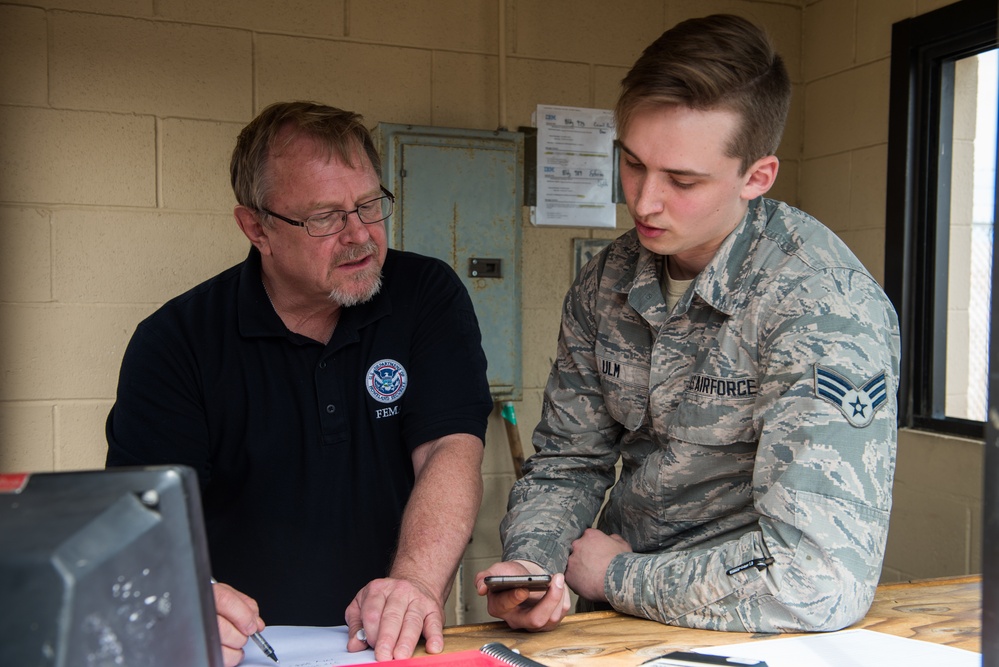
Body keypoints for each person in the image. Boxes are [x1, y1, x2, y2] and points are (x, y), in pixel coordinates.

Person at [476, 14, 900, 635]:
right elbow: (570, 460)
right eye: (632, 164)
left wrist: (618, 577)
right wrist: (535, 567)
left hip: (756, 627)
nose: (644, 201)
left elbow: (818, 579)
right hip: (614, 615)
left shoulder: (820, 307)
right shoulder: (608, 280)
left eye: (682, 181)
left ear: (756, 176)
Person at [106, 101, 493, 665]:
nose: (360, 235)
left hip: (387, 646)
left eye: (369, 205)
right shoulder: (176, 343)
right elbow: (143, 520)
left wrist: (415, 584)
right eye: (325, 217)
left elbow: (448, 448)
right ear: (256, 227)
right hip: (243, 652)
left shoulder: (424, 295)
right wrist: (180, 598)